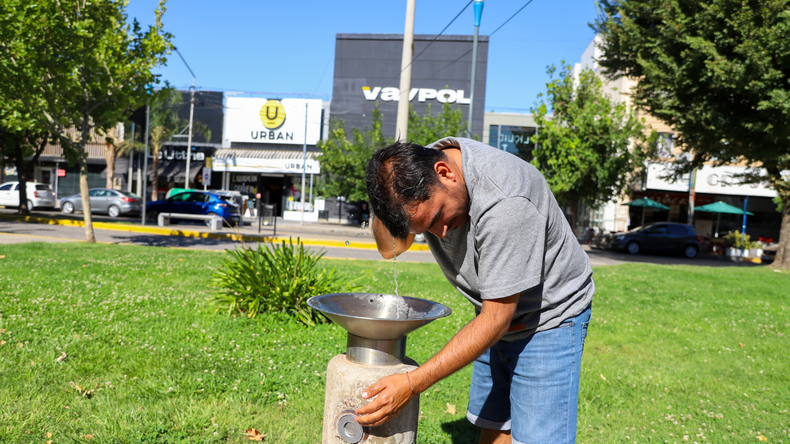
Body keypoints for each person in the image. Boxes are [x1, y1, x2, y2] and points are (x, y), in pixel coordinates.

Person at [357, 137, 594, 444]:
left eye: (438, 218)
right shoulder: (415, 173)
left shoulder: (506, 202)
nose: (439, 234)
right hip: (494, 313)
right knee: (494, 425)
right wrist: (383, 202)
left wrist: (412, 383)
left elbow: (496, 320)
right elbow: (392, 250)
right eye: (426, 228)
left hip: (548, 318)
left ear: (445, 172)